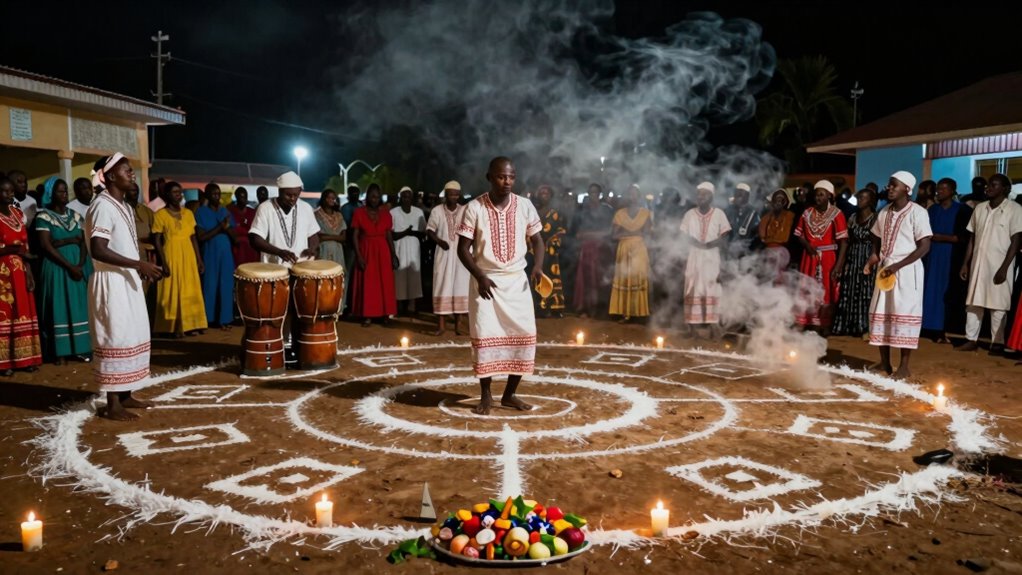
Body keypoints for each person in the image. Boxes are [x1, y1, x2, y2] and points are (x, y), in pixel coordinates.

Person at [457, 157, 544, 415]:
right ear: (489, 177)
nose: (507, 182)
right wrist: (479, 275)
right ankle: (486, 395)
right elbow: (463, 249)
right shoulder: (474, 208)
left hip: (517, 282)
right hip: (486, 282)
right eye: (501, 177)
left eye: (511, 177)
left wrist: (537, 267)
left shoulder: (525, 206)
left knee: (523, 334)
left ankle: (509, 394)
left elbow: (538, 241)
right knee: (485, 336)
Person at [84, 154, 165, 420]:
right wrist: (138, 265)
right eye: (126, 170)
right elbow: (98, 249)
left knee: (132, 335)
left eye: (131, 170)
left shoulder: (126, 207)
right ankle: (112, 404)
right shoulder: (102, 206)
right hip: (111, 283)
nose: (131, 173)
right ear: (109, 177)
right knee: (115, 337)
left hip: (126, 280)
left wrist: (139, 267)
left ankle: (126, 395)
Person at [865, 171, 932, 378]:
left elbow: (924, 246)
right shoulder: (884, 211)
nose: (890, 188)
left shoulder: (918, 212)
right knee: (881, 313)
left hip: (907, 270)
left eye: (895, 185)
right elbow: (877, 240)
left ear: (907, 189)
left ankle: (904, 366)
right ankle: (885, 363)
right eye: (889, 185)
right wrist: (873, 258)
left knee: (905, 314)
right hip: (886, 269)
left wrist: (898, 266)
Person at [958, 173, 1022, 353]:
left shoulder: (1015, 209)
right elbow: (972, 238)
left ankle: (997, 342)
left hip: (1000, 264)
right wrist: (965, 263)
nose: (989, 188)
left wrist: (1004, 267)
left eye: (994, 185)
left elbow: (1016, 240)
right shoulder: (980, 209)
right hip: (978, 263)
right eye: (989, 184)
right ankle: (971, 339)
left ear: (1005, 189)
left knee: (998, 305)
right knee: (973, 302)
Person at [35, 177, 92, 363]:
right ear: (51, 194)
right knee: (58, 307)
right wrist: (69, 263)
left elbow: (84, 240)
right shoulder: (43, 217)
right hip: (57, 267)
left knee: (80, 307)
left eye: (65, 191)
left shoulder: (75, 215)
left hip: (78, 264)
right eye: (60, 191)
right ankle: (60, 351)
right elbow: (46, 245)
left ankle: (81, 348)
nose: (64, 194)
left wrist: (81, 264)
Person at [152, 181, 207, 337]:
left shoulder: (188, 214)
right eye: (175, 192)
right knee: (172, 288)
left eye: (180, 192)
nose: (179, 195)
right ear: (167, 195)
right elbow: (157, 240)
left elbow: (193, 237)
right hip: (171, 253)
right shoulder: (160, 215)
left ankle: (192, 324)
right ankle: (172, 326)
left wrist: (199, 259)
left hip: (188, 254)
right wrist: (163, 262)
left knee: (190, 287)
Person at [794, 180, 848, 335]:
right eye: (817, 194)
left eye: (822, 195)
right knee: (806, 289)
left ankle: (823, 324)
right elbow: (799, 234)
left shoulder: (836, 214)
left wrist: (838, 265)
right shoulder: (807, 212)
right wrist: (807, 245)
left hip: (828, 258)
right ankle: (807, 321)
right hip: (809, 257)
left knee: (826, 291)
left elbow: (844, 241)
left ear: (830, 196)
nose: (818, 198)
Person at [0, 176, 42, 375]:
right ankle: (4, 363)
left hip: (20, 270)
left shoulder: (18, 214)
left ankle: (26, 358)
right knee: (5, 315)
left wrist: (29, 271)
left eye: (11, 191)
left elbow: (25, 246)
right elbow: (14, 247)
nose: (9, 194)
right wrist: (10, 249)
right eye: (5, 191)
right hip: (2, 274)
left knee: (23, 312)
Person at [922, 178, 971, 342]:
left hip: (950, 257)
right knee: (929, 290)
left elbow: (965, 237)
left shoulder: (962, 210)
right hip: (932, 255)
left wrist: (943, 237)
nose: (939, 191)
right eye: (938, 188)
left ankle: (942, 329)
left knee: (945, 292)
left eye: (943, 189)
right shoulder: (932, 210)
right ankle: (928, 327)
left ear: (952, 190)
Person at [680, 181, 731, 337]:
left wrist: (710, 244)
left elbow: (725, 236)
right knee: (692, 287)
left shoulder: (719, 214)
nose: (700, 197)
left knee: (711, 288)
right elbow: (683, 235)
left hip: (711, 255)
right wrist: (696, 243)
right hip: (694, 255)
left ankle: (713, 326)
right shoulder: (689, 214)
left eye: (704, 194)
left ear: (711, 197)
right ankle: (692, 327)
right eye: (699, 194)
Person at [350, 183, 398, 326]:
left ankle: (385, 315)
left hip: (383, 251)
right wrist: (359, 255)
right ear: (367, 197)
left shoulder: (386, 214)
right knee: (368, 283)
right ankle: (367, 315)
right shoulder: (359, 212)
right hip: (366, 249)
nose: (374, 199)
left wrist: (393, 254)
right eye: (372, 196)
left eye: (377, 197)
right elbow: (355, 235)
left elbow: (389, 235)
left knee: (385, 283)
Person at [832, 188, 878, 337]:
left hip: (868, 259)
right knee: (848, 292)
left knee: (866, 293)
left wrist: (872, 261)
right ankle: (847, 326)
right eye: (858, 197)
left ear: (871, 201)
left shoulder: (876, 219)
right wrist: (840, 264)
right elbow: (846, 242)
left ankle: (864, 327)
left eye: (863, 198)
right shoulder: (852, 218)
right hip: (853, 259)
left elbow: (878, 243)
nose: (859, 200)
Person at [426, 181, 469, 335]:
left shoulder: (464, 211)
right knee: (442, 286)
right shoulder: (437, 211)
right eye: (450, 194)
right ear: (445, 194)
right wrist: (439, 241)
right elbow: (430, 230)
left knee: (460, 286)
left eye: (456, 194)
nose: (453, 197)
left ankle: (458, 326)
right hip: (443, 254)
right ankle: (441, 326)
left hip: (460, 255)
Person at [608, 184, 652, 323]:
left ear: (639, 197)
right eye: (629, 194)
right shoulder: (619, 214)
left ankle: (638, 313)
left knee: (638, 278)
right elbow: (614, 235)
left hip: (639, 248)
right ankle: (624, 313)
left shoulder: (646, 213)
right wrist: (635, 232)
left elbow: (647, 234)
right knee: (624, 279)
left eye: (635, 194)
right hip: (624, 248)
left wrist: (625, 232)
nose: (632, 197)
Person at [195, 183, 236, 329]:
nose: (217, 197)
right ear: (207, 195)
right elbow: (201, 237)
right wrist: (220, 227)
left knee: (226, 285)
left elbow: (235, 238)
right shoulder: (201, 212)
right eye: (213, 194)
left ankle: (224, 319)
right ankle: (208, 319)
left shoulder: (225, 212)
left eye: (218, 194)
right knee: (210, 285)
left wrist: (227, 228)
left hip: (225, 254)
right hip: (210, 253)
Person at [571, 184, 614, 318]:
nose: (593, 195)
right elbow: (577, 234)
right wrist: (594, 235)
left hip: (602, 249)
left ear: (600, 194)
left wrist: (592, 234)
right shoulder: (582, 211)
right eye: (590, 193)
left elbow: (610, 232)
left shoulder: (607, 210)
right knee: (586, 278)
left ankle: (600, 308)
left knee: (601, 278)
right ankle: (586, 308)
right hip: (586, 248)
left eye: (595, 192)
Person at [390, 186, 426, 315]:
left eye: (408, 196)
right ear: (400, 197)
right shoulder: (393, 212)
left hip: (413, 248)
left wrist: (412, 233)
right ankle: (398, 305)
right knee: (399, 275)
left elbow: (422, 232)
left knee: (414, 275)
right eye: (404, 196)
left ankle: (412, 305)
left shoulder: (418, 212)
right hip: (399, 246)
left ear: (412, 198)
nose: (406, 199)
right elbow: (392, 234)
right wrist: (406, 232)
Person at [533, 184, 567, 316]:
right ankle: (539, 308)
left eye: (547, 193)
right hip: (533, 251)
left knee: (551, 277)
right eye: (542, 193)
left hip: (550, 251)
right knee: (536, 278)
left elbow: (561, 231)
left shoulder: (555, 213)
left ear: (551, 196)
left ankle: (554, 308)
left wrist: (550, 243)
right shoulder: (533, 212)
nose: (544, 195)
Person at [315, 188, 348, 311]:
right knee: (324, 279)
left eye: (333, 198)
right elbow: (318, 236)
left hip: (338, 251)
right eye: (328, 198)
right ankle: (323, 307)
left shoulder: (339, 216)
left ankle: (337, 308)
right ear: (323, 199)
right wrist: (336, 237)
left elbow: (344, 237)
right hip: (323, 251)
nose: (331, 200)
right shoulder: (317, 215)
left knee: (338, 279)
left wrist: (328, 237)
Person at [758, 189, 795, 283]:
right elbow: (762, 237)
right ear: (772, 202)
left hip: (783, 252)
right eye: (776, 199)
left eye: (781, 199)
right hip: (768, 251)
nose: (778, 202)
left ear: (786, 202)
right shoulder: (765, 218)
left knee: (780, 279)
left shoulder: (791, 216)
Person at [725, 182, 760, 258]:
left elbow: (757, 234)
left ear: (747, 196)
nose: (739, 196)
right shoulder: (728, 210)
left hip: (746, 251)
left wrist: (749, 248)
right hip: (729, 250)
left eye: (742, 194)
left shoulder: (753, 213)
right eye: (737, 194)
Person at [226, 187, 259, 266]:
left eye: (245, 197)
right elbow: (228, 228)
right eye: (241, 197)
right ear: (236, 197)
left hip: (250, 244)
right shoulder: (230, 211)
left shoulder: (252, 212)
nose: (243, 200)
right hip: (235, 244)